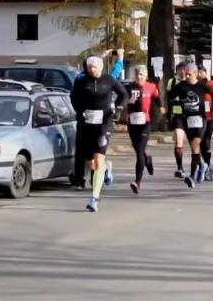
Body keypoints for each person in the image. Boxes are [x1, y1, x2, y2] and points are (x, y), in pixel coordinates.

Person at [70, 56, 128, 212]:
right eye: (90, 67)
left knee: (98, 160)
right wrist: (79, 111)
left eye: (95, 67)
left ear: (101, 67)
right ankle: (107, 167)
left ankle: (94, 198)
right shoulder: (81, 81)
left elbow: (123, 94)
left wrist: (118, 108)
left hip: (104, 123)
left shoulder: (108, 80)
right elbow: (73, 97)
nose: (92, 69)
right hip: (86, 124)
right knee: (91, 164)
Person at [167, 63, 213, 188]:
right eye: (186, 74)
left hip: (199, 120)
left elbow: (212, 97)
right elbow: (170, 98)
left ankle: (192, 176)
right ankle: (196, 167)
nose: (187, 76)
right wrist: (175, 105)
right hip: (185, 119)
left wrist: (210, 109)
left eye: (189, 74)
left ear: (196, 74)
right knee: (189, 145)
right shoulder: (180, 86)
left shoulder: (202, 86)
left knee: (195, 146)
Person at [123, 66, 163, 194]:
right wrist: (127, 102)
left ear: (145, 76)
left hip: (145, 123)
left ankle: (137, 182)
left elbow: (156, 97)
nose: (139, 77)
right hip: (132, 123)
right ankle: (147, 159)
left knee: (139, 152)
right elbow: (122, 100)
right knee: (138, 150)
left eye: (141, 74)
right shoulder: (129, 87)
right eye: (137, 74)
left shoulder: (151, 87)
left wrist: (161, 107)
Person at [165, 62, 189, 178]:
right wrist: (168, 117)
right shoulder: (172, 82)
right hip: (178, 114)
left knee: (196, 142)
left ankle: (201, 164)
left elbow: (205, 97)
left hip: (191, 115)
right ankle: (180, 168)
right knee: (179, 139)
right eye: (180, 69)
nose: (182, 72)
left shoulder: (192, 81)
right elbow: (169, 98)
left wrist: (207, 112)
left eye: (184, 69)